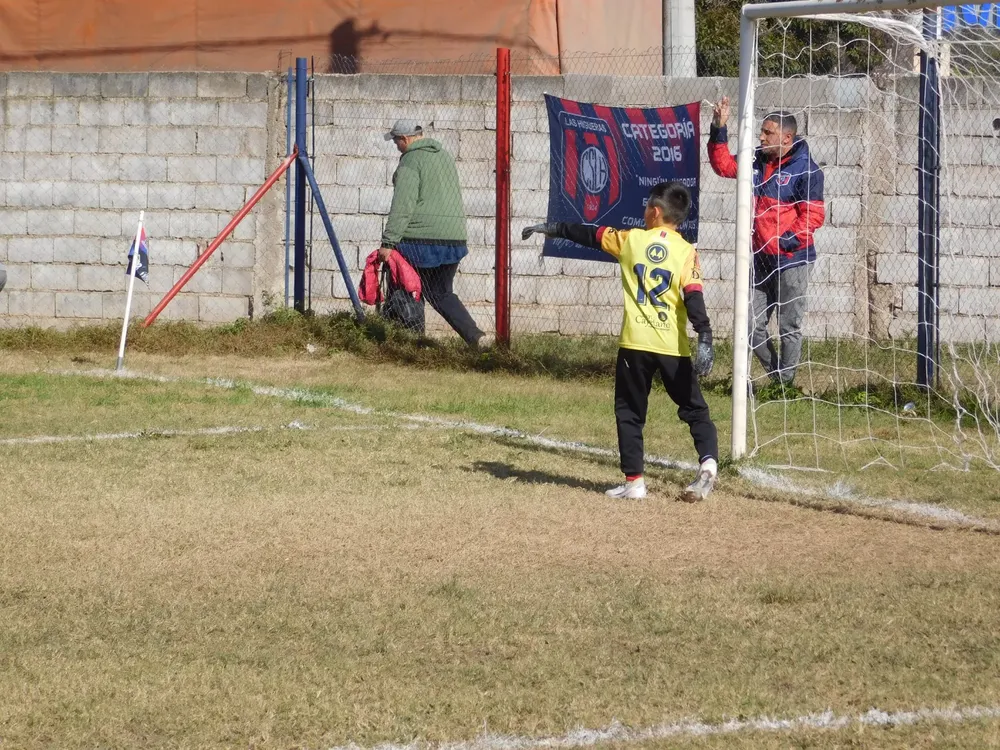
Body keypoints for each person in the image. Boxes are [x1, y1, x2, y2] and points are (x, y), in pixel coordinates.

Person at [522, 182, 719, 502]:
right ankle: (708, 466)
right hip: (672, 347)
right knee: (694, 408)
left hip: (635, 345)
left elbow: (591, 235)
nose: (643, 213)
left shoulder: (632, 241)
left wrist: (555, 228)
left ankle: (635, 483)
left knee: (629, 411)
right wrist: (705, 335)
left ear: (655, 212)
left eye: (646, 208)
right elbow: (693, 297)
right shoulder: (687, 252)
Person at [707, 97, 825, 389]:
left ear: (787, 137)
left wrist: (785, 242)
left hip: (792, 260)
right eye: (761, 131)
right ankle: (780, 380)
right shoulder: (756, 160)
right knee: (749, 325)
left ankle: (785, 387)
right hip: (761, 260)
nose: (761, 137)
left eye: (767, 132)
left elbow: (813, 216)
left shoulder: (806, 170)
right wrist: (718, 128)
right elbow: (723, 166)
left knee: (789, 327)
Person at [378, 119, 484, 347]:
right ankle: (476, 338)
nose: (396, 145)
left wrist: (388, 242)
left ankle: (411, 345)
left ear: (404, 139)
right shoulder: (444, 156)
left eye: (396, 141)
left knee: (406, 288)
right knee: (440, 292)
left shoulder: (411, 160)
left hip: (421, 240)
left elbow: (403, 205)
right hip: (454, 238)